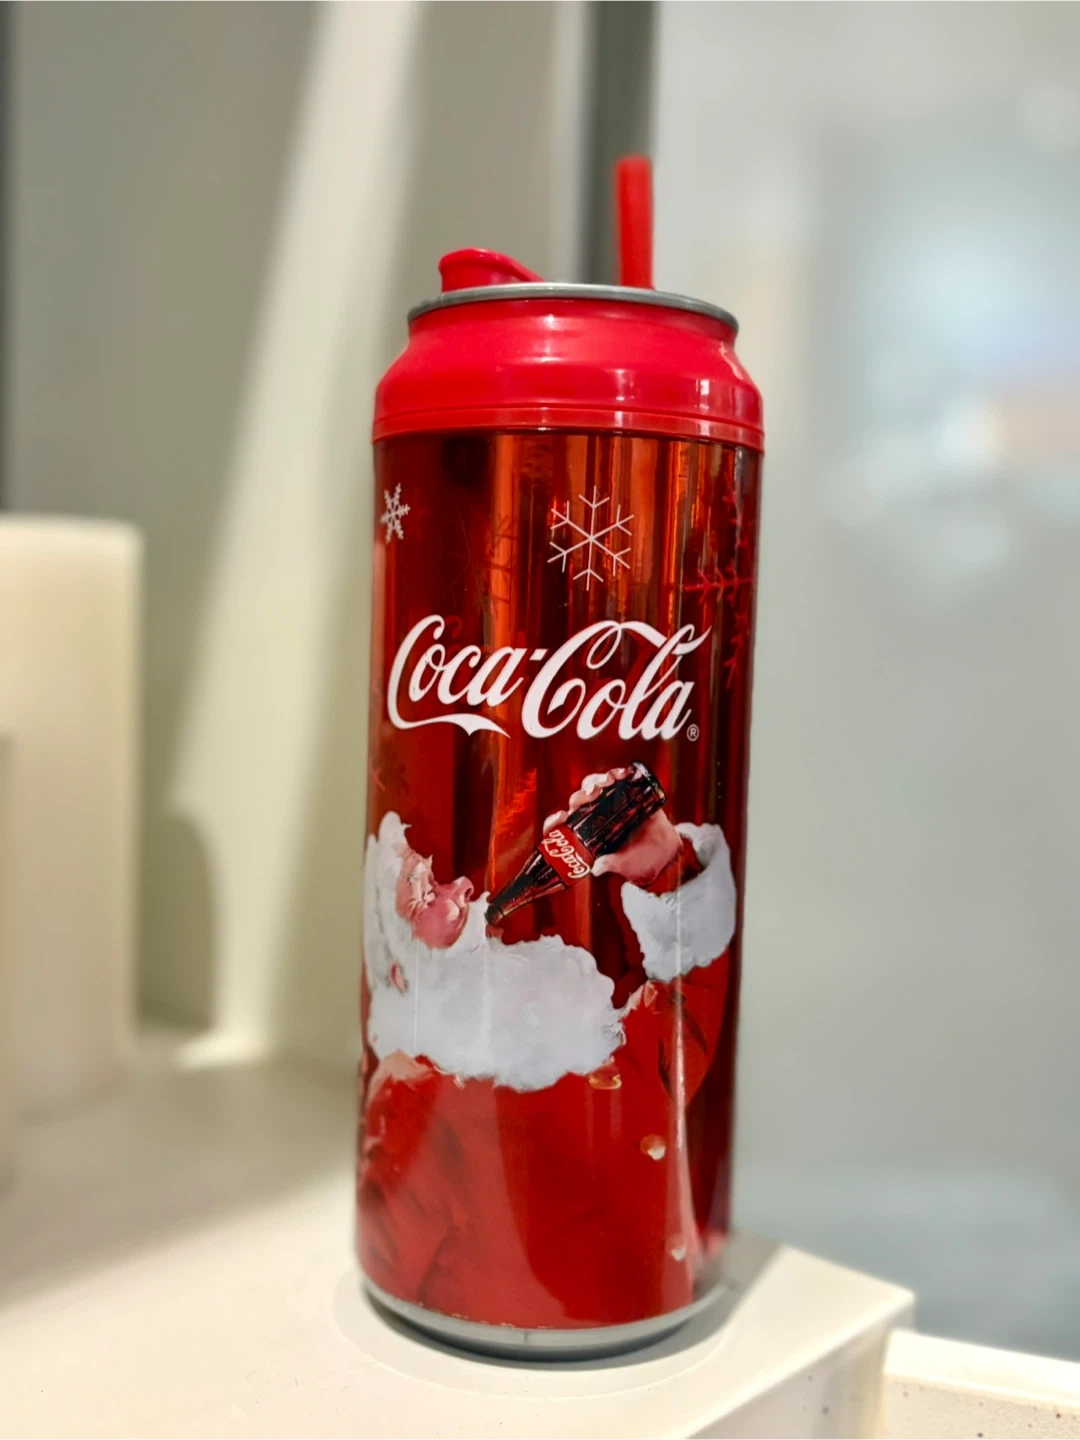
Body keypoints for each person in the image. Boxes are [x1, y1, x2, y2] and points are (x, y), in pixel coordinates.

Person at [359, 769, 738, 1328]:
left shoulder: (569, 1044)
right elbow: (394, 1255)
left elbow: (685, 1023)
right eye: (425, 893)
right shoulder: (413, 1100)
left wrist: (664, 865)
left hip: (654, 1328)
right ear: (400, 970)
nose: (462, 886)